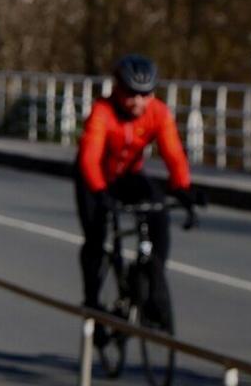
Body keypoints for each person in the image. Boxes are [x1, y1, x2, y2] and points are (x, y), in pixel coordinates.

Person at [75, 54, 197, 332]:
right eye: (131, 94)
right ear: (118, 89)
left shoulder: (158, 112)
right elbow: (89, 159)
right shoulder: (102, 112)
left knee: (158, 209)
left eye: (145, 95)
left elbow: (174, 154)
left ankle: (153, 275)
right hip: (94, 177)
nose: (138, 102)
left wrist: (183, 188)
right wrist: (100, 192)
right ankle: (92, 301)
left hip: (128, 174)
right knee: (95, 237)